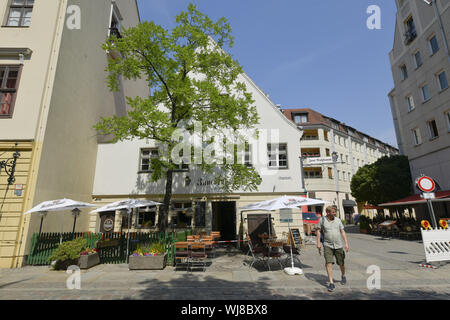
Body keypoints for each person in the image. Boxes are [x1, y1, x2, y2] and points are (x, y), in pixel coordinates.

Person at [316, 206, 350, 292]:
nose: (335, 213)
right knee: (328, 263)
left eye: (335, 212)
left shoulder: (338, 220)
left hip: (338, 245)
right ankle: (331, 283)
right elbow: (318, 231)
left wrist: (346, 243)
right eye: (333, 212)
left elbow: (342, 231)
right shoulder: (322, 220)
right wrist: (318, 243)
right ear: (328, 213)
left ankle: (343, 275)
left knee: (341, 263)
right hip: (327, 245)